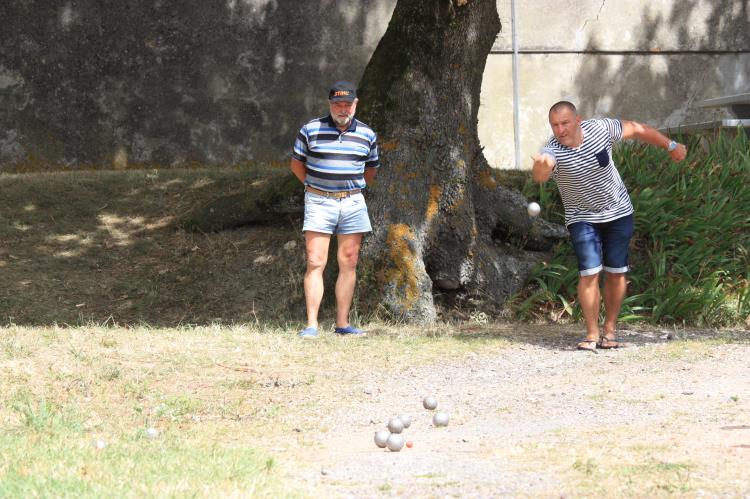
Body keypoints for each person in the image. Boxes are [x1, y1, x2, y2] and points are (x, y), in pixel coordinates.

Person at [531, 101, 687, 352]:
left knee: (616, 272)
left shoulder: (601, 129)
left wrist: (671, 145)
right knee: (589, 272)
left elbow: (638, 130)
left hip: (618, 211)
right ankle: (592, 333)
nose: (560, 129)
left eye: (565, 123)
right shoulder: (553, 150)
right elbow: (542, 172)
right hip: (581, 217)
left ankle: (610, 330)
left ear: (578, 120)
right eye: (555, 125)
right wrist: (540, 167)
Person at [289, 81, 380, 338]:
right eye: (337, 104)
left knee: (349, 262)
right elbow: (296, 165)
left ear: (355, 105)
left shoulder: (367, 134)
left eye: (347, 104)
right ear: (330, 105)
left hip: (352, 202)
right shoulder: (310, 130)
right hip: (318, 201)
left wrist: (350, 187)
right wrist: (314, 186)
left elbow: (370, 171)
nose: (343, 109)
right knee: (315, 261)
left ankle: (342, 324)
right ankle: (311, 325)